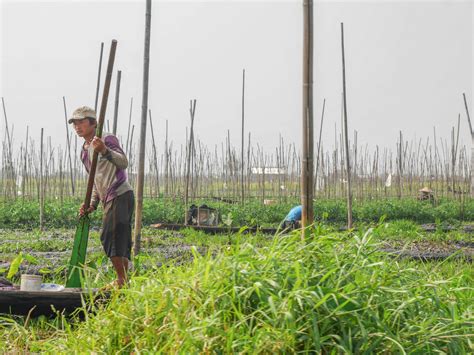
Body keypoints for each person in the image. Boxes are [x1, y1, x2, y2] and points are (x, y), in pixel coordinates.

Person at [70, 106, 134, 288]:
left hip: (120, 193)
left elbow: (124, 162)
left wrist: (105, 150)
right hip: (108, 197)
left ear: (93, 123)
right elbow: (96, 180)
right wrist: (92, 203)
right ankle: (124, 280)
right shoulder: (84, 151)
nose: (77, 126)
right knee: (116, 237)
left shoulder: (106, 139)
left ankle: (122, 280)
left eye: (81, 122)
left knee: (110, 236)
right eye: (74, 123)